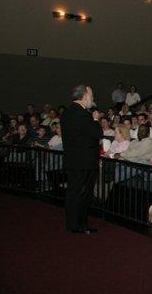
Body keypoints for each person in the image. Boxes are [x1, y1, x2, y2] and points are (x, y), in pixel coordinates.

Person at [60, 85, 103, 234]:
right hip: (85, 163)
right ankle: (80, 225)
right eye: (91, 96)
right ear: (84, 97)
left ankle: (74, 224)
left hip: (72, 160)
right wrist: (96, 120)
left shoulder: (66, 113)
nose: (93, 99)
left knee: (73, 193)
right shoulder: (83, 115)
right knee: (83, 195)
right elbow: (97, 133)